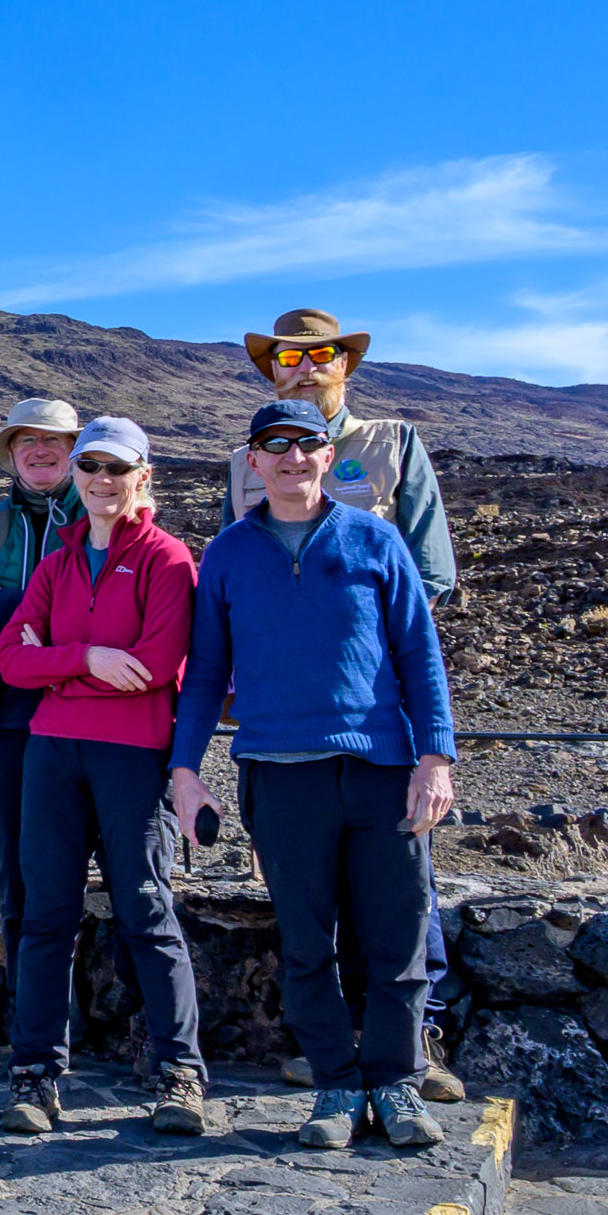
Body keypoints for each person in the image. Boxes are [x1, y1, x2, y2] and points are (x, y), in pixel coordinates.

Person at [171, 399, 456, 1150]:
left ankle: (394, 1082)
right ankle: (334, 1085)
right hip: (279, 775)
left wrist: (434, 757)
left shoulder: (377, 540)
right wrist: (184, 769)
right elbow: (203, 674)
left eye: (308, 444)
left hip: (381, 771)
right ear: (252, 461)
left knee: (394, 938)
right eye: (275, 446)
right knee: (308, 942)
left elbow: (420, 657)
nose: (293, 458)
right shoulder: (228, 554)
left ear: (329, 456)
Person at [228, 309, 462, 1102]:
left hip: (379, 707)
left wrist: (352, 642)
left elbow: (426, 573)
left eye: (318, 353)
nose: (302, 366)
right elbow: (243, 575)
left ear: (344, 363)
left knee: (400, 888)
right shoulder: (243, 462)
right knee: (311, 898)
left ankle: (412, 1042)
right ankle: (333, 1051)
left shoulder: (392, 443)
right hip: (287, 727)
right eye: (286, 355)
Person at [0, 418, 208, 1136]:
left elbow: (154, 661)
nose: (102, 480)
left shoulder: (167, 560)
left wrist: (58, 658)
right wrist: (85, 658)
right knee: (45, 913)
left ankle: (180, 1071)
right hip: (53, 751)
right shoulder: (56, 564)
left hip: (130, 756)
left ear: (143, 475)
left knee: (146, 908)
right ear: (78, 475)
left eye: (118, 467)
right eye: (91, 466)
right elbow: (13, 660)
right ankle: (36, 1072)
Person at [0, 397, 84, 1005]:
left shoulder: (109, 517)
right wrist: (60, 604)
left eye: (53, 438)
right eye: (25, 439)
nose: (39, 449)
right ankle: (28, 1011)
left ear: (76, 448)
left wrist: (17, 598)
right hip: (8, 710)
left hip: (95, 712)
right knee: (16, 862)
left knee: (119, 864)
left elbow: (106, 615)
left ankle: (115, 1014)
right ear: (10, 454)